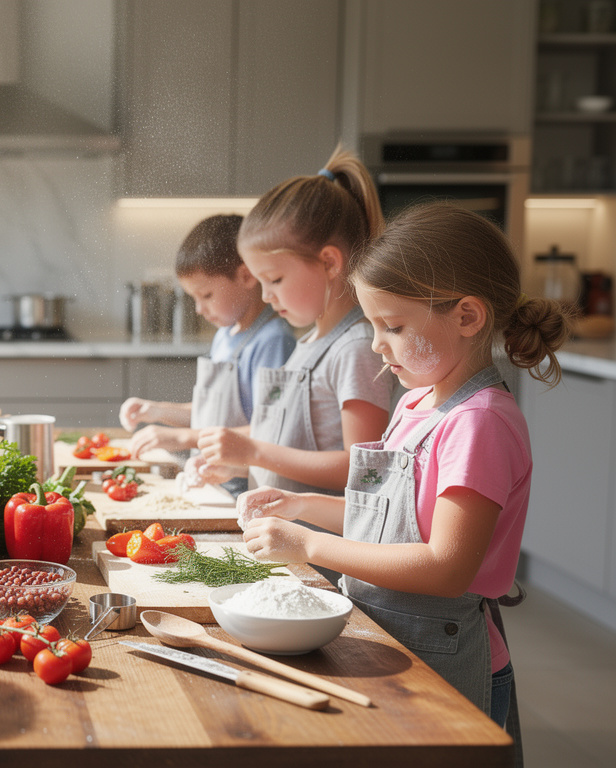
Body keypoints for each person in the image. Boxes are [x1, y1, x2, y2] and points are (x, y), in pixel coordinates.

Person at [238, 202, 570, 758]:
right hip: (386, 637)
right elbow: (390, 523)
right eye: (372, 325)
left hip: (445, 658)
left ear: (467, 317)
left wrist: (310, 544)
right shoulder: (416, 402)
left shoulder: (478, 421)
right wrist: (300, 506)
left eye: (392, 326)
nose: (375, 344)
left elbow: (445, 566)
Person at [192, 149, 393, 500]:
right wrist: (238, 463)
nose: (266, 296)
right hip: (287, 540)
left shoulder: (356, 347)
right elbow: (292, 449)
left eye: (275, 280)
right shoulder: (311, 341)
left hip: (324, 550)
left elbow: (361, 468)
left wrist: (254, 452)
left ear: (329, 262)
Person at [119, 214, 296, 497]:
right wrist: (157, 410)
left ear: (246, 276)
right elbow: (210, 414)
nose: (200, 309)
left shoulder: (273, 340)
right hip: (213, 479)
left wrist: (182, 438)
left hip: (247, 487)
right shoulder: (225, 335)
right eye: (194, 299)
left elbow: (272, 429)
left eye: (207, 295)